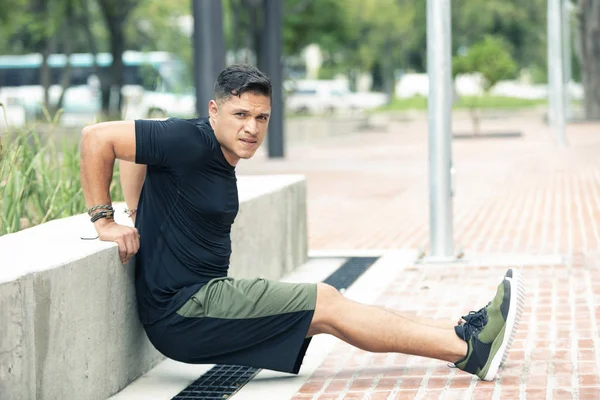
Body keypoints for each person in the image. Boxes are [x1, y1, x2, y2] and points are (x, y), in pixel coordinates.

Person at [79, 64, 525, 381]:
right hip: (185, 309)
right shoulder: (189, 141)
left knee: (326, 312)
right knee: (327, 302)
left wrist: (136, 211)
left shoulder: (203, 147)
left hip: (198, 305)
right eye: (241, 115)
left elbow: (135, 148)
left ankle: (461, 337)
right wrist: (105, 220)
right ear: (214, 111)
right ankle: (469, 351)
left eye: (261, 117)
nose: (252, 128)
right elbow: (98, 138)